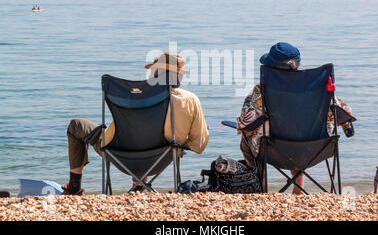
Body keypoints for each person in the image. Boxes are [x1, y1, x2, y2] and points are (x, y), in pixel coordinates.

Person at [62, 53, 209, 195]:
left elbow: (112, 136)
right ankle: (138, 186)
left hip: (120, 157)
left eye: (152, 71)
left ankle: (74, 188)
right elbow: (199, 145)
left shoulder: (136, 96)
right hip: (162, 158)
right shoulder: (191, 100)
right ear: (178, 76)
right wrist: (179, 145)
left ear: (157, 74)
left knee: (76, 125)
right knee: (146, 135)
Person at [236, 42, 353, 195]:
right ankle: (298, 189)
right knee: (299, 129)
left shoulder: (262, 89)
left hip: (273, 149)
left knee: (247, 138)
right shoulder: (315, 88)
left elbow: (247, 122)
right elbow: (344, 112)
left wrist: (241, 127)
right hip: (316, 148)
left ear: (270, 67)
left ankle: (260, 187)